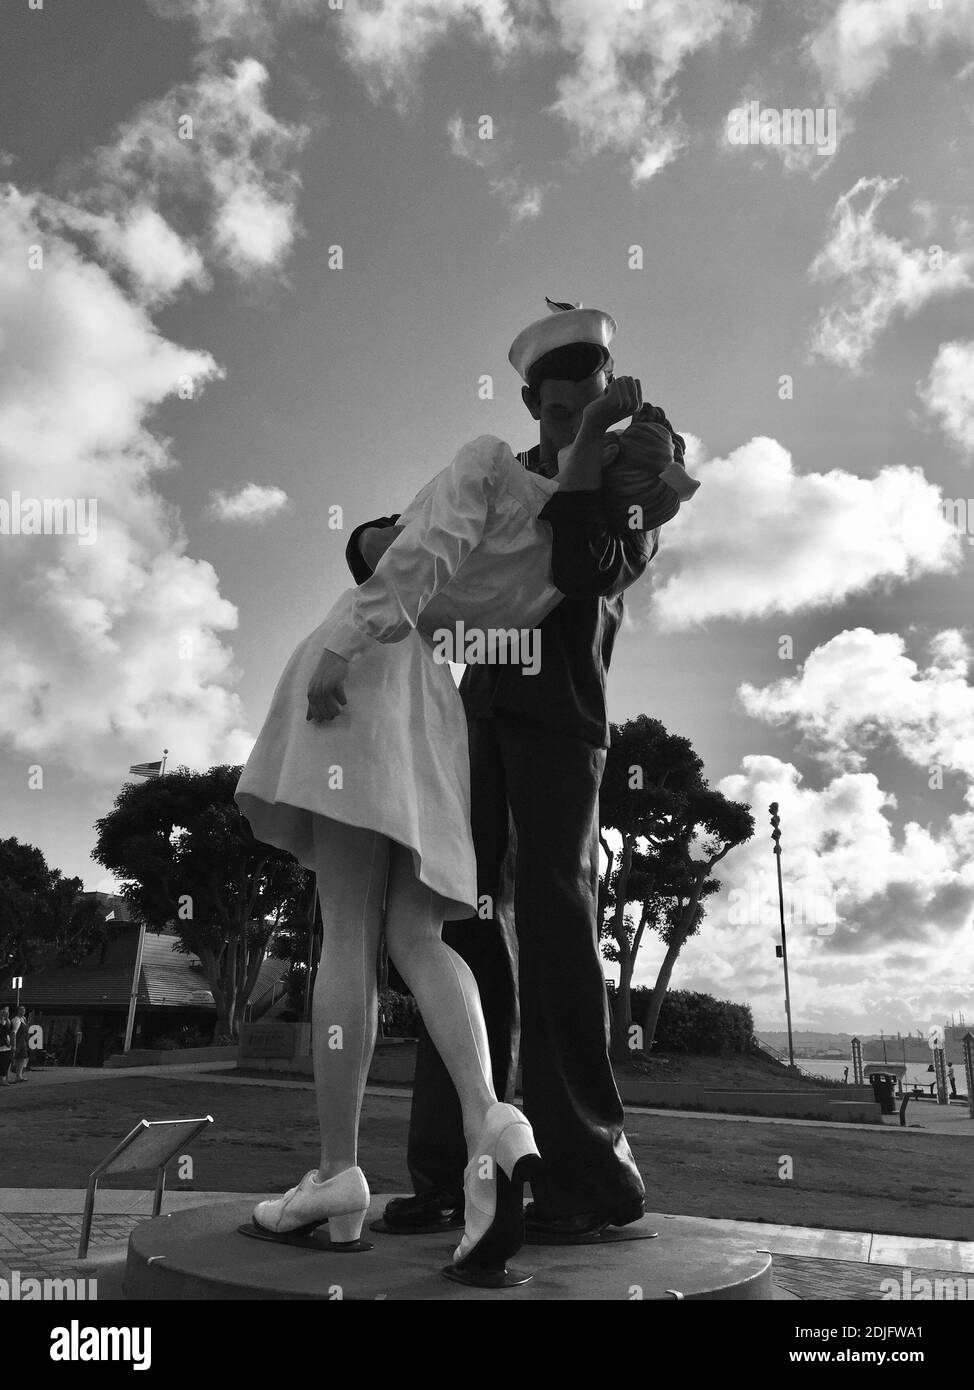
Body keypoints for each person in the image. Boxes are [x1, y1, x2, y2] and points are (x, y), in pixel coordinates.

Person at [234, 307, 695, 1277]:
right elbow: (393, 550)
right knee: (458, 925)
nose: (572, 423)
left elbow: (579, 564)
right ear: (533, 401)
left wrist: (586, 473)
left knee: (558, 922)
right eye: (556, 406)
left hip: (558, 722)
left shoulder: (623, 488)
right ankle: (451, 1173)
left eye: (587, 405)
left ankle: (585, 1174)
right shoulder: (503, 472)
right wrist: (382, 543)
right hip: (468, 716)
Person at [7, 1006, 30, 1083]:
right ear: (17, 1011)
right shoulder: (16, 1020)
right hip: (17, 1041)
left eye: (24, 1009)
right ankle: (6, 1077)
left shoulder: (23, 1019)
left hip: (23, 1041)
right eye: (21, 1010)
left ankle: (19, 1076)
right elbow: (13, 1033)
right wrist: (13, 1045)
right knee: (11, 1059)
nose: (23, 1011)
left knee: (22, 1058)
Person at [0, 1006, 11, 1085]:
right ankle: (2, 1080)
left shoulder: (8, 1021)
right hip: (2, 1045)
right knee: (3, 1063)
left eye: (7, 1012)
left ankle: (4, 1079)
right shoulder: (2, 1022)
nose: (6, 1013)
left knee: (5, 1063)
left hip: (6, 1045)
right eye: (4, 1012)